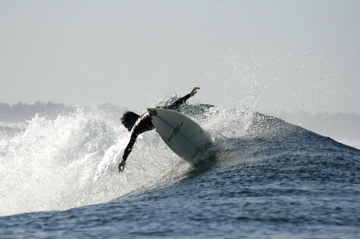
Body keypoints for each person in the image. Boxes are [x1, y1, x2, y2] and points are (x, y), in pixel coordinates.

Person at [118, 87, 200, 172]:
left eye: (126, 126)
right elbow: (174, 105)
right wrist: (189, 95)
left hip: (153, 115)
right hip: (157, 112)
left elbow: (130, 144)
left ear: (131, 120)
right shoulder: (143, 117)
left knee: (169, 111)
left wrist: (123, 160)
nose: (128, 129)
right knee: (173, 107)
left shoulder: (136, 127)